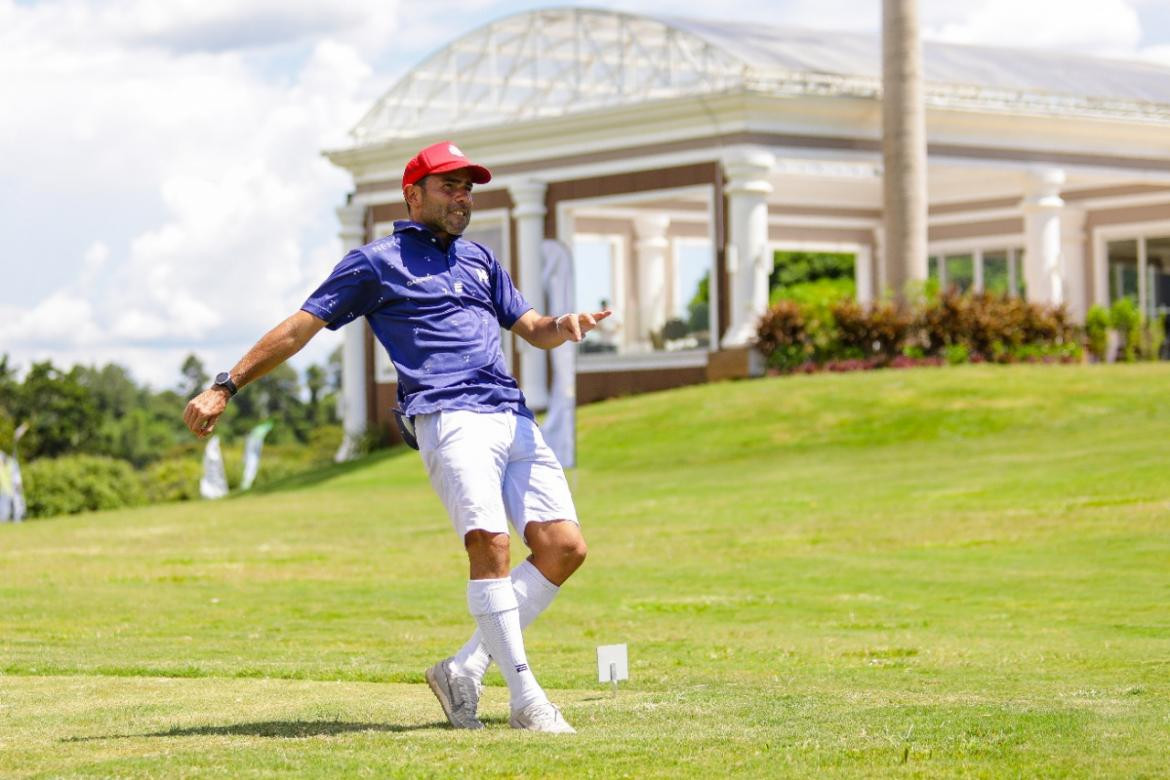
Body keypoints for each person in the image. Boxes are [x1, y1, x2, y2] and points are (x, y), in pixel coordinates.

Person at [183, 140, 610, 734]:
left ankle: (464, 669)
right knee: (490, 545)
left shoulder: (480, 260)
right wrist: (225, 385)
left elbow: (530, 326)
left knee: (566, 548)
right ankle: (527, 700)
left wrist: (562, 325)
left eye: (468, 188)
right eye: (449, 186)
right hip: (448, 416)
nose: (462, 197)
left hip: (511, 414)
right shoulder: (375, 263)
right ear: (413, 195)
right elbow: (299, 328)